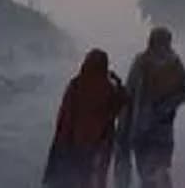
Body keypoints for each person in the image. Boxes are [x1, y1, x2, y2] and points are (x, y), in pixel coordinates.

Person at [114, 27, 185, 188]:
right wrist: (167, 106)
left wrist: (125, 126)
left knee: (149, 173)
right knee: (157, 171)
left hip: (145, 128)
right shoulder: (173, 63)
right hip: (159, 130)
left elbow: (130, 94)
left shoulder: (143, 61)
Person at [43, 49, 128, 188]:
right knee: (95, 179)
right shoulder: (109, 89)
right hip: (101, 143)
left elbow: (66, 114)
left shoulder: (76, 84)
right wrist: (118, 81)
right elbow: (122, 102)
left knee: (75, 178)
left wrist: (61, 141)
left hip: (75, 142)